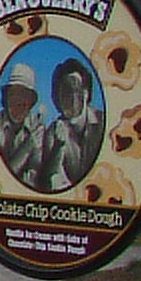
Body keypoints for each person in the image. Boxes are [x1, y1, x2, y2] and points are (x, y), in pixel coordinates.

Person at [44, 57, 106, 191]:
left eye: (76, 89)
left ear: (86, 93)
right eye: (65, 91)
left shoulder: (103, 124)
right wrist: (58, 148)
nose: (71, 97)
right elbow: (52, 180)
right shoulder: (52, 132)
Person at [0, 61, 47, 188]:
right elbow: (0, 177)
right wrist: (27, 146)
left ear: (31, 102)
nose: (19, 102)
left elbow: (34, 173)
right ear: (5, 99)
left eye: (24, 96)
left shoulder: (37, 127)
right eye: (14, 95)